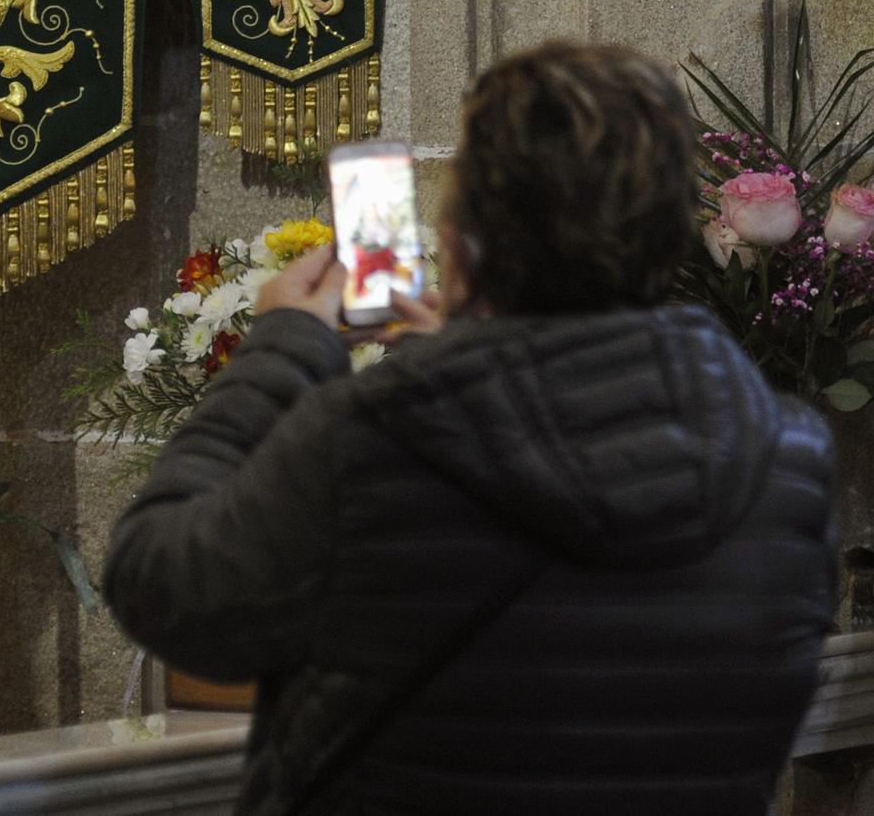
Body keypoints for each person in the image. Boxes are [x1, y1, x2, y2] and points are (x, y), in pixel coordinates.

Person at [105, 41, 836, 816]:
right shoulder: (788, 463)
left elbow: (159, 583)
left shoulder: (377, 443)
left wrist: (284, 343)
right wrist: (460, 359)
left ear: (461, 239)